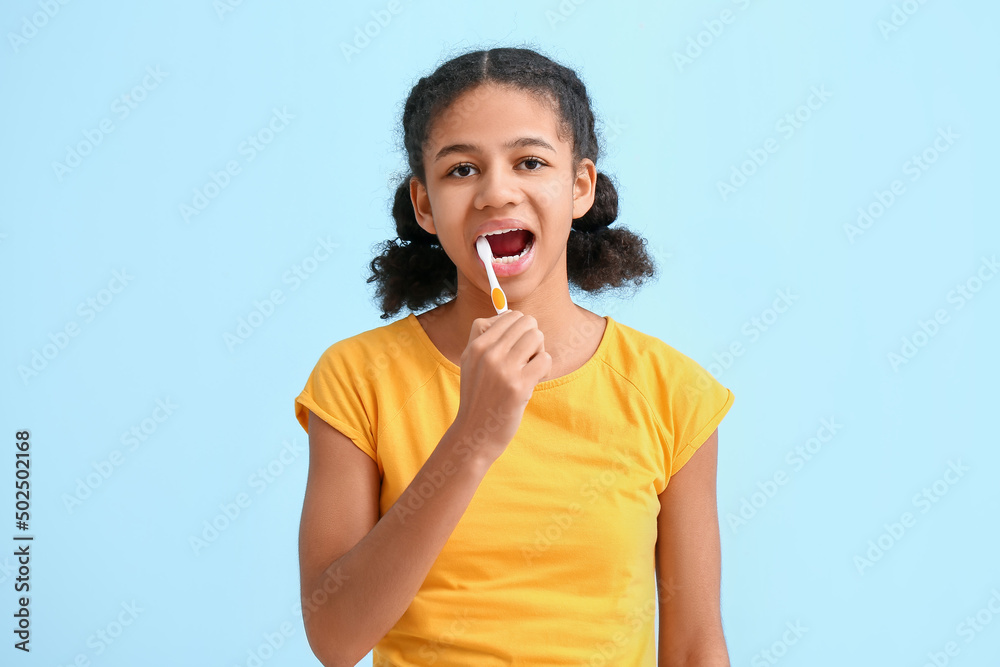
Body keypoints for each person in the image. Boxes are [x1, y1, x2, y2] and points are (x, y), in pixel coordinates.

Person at [294, 45, 736, 666]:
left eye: (529, 162)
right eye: (461, 170)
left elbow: (694, 649)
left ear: (580, 186)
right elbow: (335, 640)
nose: (496, 192)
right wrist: (472, 436)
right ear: (424, 205)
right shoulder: (356, 380)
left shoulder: (673, 394)